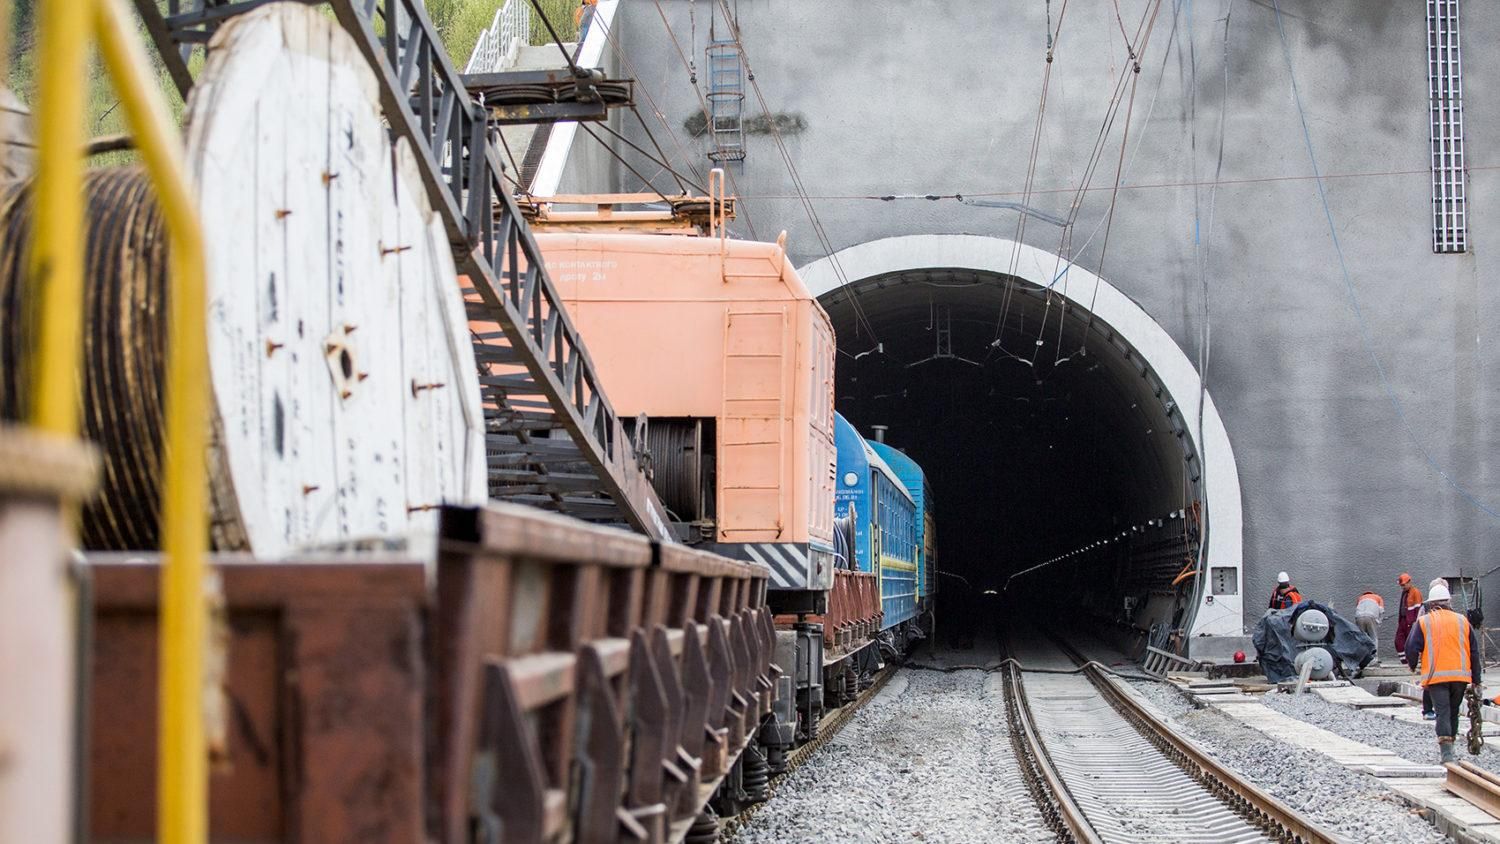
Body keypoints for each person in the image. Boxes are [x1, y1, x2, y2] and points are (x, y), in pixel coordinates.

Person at [1405, 580, 1481, 763]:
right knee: (1453, 711)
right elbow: (1474, 651)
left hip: (1436, 677)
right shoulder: (1463, 621)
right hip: (1460, 677)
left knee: (1443, 712)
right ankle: (1451, 746)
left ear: (1431, 604)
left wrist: (1413, 665)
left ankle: (1447, 755)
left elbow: (1411, 647)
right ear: (1449, 602)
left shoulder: (1424, 622)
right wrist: (1477, 680)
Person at [1395, 573, 1423, 664]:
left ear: (1409, 582)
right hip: (1404, 620)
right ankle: (1404, 660)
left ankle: (1412, 659)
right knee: (1399, 640)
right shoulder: (1405, 593)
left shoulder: (1415, 592)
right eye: (1401, 585)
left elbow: (1418, 608)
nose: (1402, 587)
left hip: (1411, 622)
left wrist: (1416, 621)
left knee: (1411, 641)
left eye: (1403, 585)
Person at [1354, 590, 1385, 665]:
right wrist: (1379, 621)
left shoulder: (1360, 598)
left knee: (1361, 638)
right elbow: (1381, 611)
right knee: (1373, 637)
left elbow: (1357, 608)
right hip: (1371, 616)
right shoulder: (1378, 597)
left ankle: (1361, 659)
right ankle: (1374, 658)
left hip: (1359, 617)